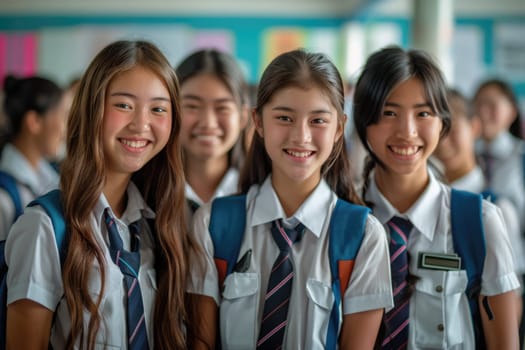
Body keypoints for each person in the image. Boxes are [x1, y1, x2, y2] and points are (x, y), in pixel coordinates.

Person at [188, 49, 393, 349]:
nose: (301, 136)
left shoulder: (363, 237)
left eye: (318, 121)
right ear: (258, 122)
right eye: (284, 117)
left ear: (339, 127)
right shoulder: (212, 224)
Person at [5, 40, 194, 349]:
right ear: (91, 108)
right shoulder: (44, 227)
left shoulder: (159, 223)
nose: (141, 124)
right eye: (123, 105)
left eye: (158, 109)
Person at [353, 46, 520, 349]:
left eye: (423, 113)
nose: (407, 131)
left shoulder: (480, 221)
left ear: (443, 123)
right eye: (389, 112)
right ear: (363, 121)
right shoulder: (343, 220)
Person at [175, 49, 249, 213]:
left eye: (222, 108)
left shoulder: (260, 193)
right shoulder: (145, 193)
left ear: (243, 117)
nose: (208, 123)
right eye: (192, 106)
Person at [0, 75, 68, 238]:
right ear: (34, 121)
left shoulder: (53, 175)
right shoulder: (4, 196)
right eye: (63, 116)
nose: (64, 130)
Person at [473, 79, 525, 232]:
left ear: (512, 112)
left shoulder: (521, 157)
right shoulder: (464, 156)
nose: (482, 112)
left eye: (491, 105)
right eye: (478, 105)